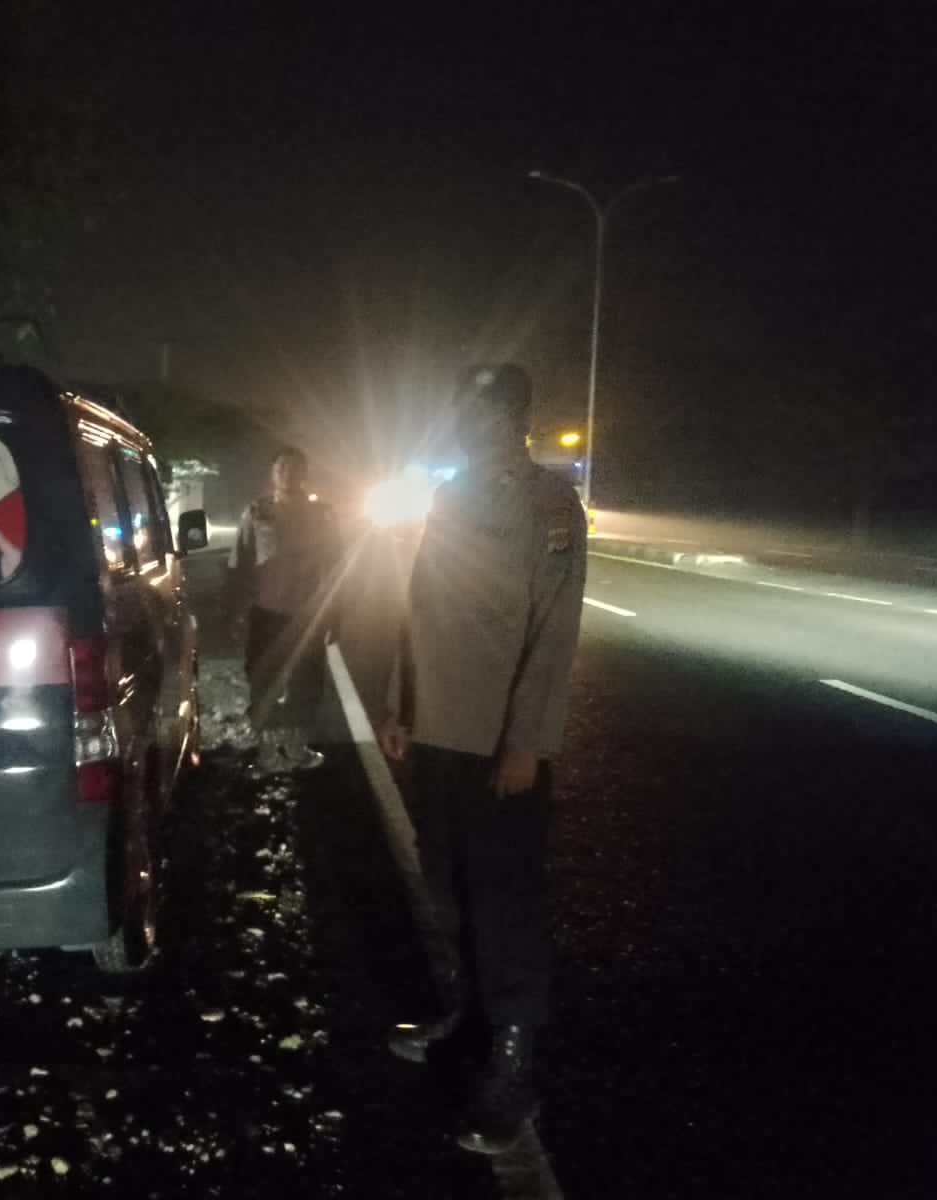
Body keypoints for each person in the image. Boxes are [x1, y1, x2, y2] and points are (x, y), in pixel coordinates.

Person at [378, 364, 587, 1154]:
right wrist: (401, 702)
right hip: (437, 730)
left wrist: (528, 739)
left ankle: (514, 1067)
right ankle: (467, 1016)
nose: (471, 426)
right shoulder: (449, 497)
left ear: (517, 419)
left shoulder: (548, 505)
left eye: (486, 414)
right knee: (448, 890)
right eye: (465, 412)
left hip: (500, 743)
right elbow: (417, 602)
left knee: (507, 907)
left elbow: (554, 630)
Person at [226, 446, 339, 775]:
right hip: (266, 613)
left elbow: (337, 567)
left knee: (306, 684)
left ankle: (296, 748)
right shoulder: (256, 512)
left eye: (294, 468)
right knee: (263, 681)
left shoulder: (323, 515)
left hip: (308, 616)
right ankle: (266, 752)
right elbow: (239, 562)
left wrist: (336, 615)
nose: (288, 474)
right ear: (273, 473)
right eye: (282, 468)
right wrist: (234, 610)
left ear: (305, 474)